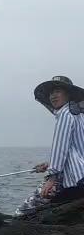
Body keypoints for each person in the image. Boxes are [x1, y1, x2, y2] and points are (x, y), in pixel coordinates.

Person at [16, 75, 84, 216]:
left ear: (68, 94)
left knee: (24, 211)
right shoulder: (79, 116)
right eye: (51, 93)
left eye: (58, 91)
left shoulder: (65, 114)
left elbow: (61, 147)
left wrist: (52, 178)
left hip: (69, 178)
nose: (53, 96)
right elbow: (75, 150)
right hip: (80, 177)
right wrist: (49, 163)